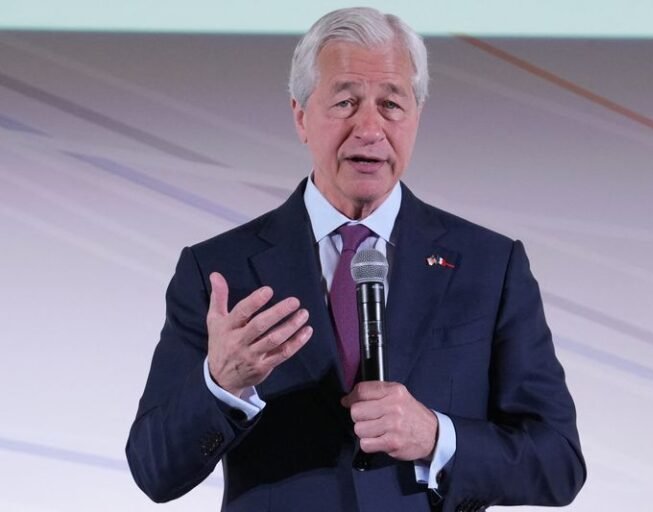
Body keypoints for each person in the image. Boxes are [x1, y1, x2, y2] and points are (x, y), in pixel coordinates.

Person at [126, 7, 586, 512]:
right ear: (301, 116)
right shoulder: (220, 271)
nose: (369, 128)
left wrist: (436, 436)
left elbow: (558, 463)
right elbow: (153, 470)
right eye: (345, 102)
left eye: (391, 104)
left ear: (416, 117)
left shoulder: (490, 266)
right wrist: (222, 384)